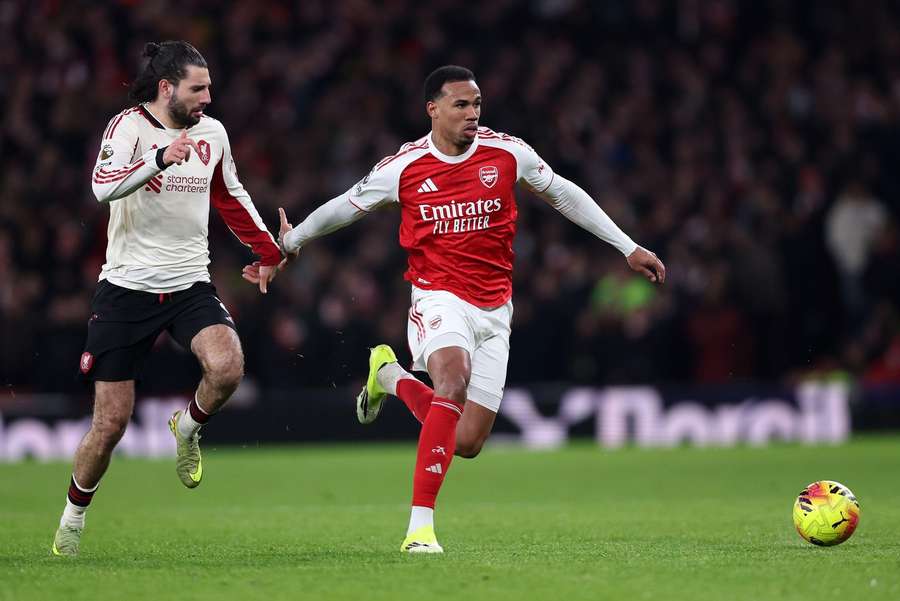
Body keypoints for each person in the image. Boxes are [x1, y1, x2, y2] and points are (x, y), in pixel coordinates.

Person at [245, 65, 665, 553]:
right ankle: (419, 528)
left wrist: (627, 247)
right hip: (437, 295)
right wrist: (289, 242)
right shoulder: (403, 167)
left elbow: (565, 194)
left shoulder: (508, 153)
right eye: (461, 105)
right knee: (451, 380)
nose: (472, 114)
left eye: (477, 104)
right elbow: (345, 205)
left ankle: (390, 377)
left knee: (466, 441)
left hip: (495, 307)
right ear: (434, 109)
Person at [51, 41, 283, 556]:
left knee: (227, 367)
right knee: (110, 423)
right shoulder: (128, 127)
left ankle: (189, 427)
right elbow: (101, 188)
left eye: (209, 87)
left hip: (189, 283)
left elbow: (229, 193)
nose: (207, 97)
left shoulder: (212, 133)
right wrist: (158, 158)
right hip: (126, 289)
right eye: (198, 88)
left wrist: (268, 249)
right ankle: (73, 516)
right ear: (166, 87)